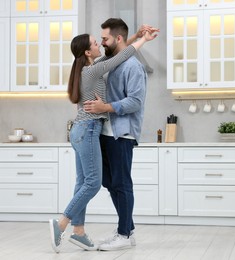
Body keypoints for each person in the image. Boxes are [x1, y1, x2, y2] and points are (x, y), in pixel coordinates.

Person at [48, 26, 158, 253]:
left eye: (102, 40)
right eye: (95, 43)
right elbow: (123, 54)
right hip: (88, 130)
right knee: (93, 183)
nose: (99, 44)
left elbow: (123, 57)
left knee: (84, 183)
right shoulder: (92, 71)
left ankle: (79, 233)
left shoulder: (91, 68)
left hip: (85, 130)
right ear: (88, 52)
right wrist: (142, 40)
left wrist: (136, 36)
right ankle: (61, 224)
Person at [83, 18, 157, 251]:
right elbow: (116, 52)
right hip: (106, 132)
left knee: (122, 183)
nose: (101, 42)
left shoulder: (133, 67)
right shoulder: (112, 61)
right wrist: (136, 37)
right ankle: (128, 229)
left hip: (122, 133)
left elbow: (135, 102)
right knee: (109, 182)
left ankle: (124, 233)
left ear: (117, 38)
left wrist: (105, 107)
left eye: (104, 38)